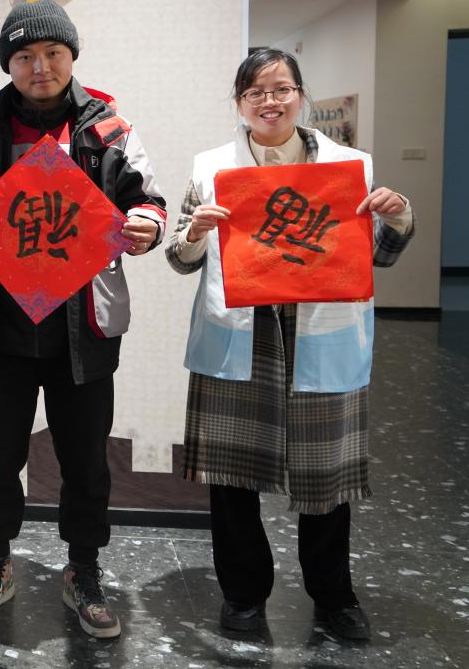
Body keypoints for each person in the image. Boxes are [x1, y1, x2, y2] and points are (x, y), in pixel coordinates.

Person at [0, 0, 166, 637]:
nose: (40, 67)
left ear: (72, 56)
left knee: (86, 459)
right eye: (24, 56)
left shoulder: (109, 128)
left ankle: (83, 570)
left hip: (82, 325)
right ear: (8, 65)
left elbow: (147, 201)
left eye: (53, 53)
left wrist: (146, 224)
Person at [165, 47, 413, 641]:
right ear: (239, 103)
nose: (269, 101)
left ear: (301, 96)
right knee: (233, 479)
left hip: (320, 333)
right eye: (255, 92)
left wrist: (399, 218)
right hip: (240, 335)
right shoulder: (212, 168)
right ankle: (243, 596)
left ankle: (334, 597)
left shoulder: (349, 167)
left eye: (281, 89)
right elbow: (179, 257)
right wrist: (195, 232)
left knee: (325, 479)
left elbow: (377, 257)